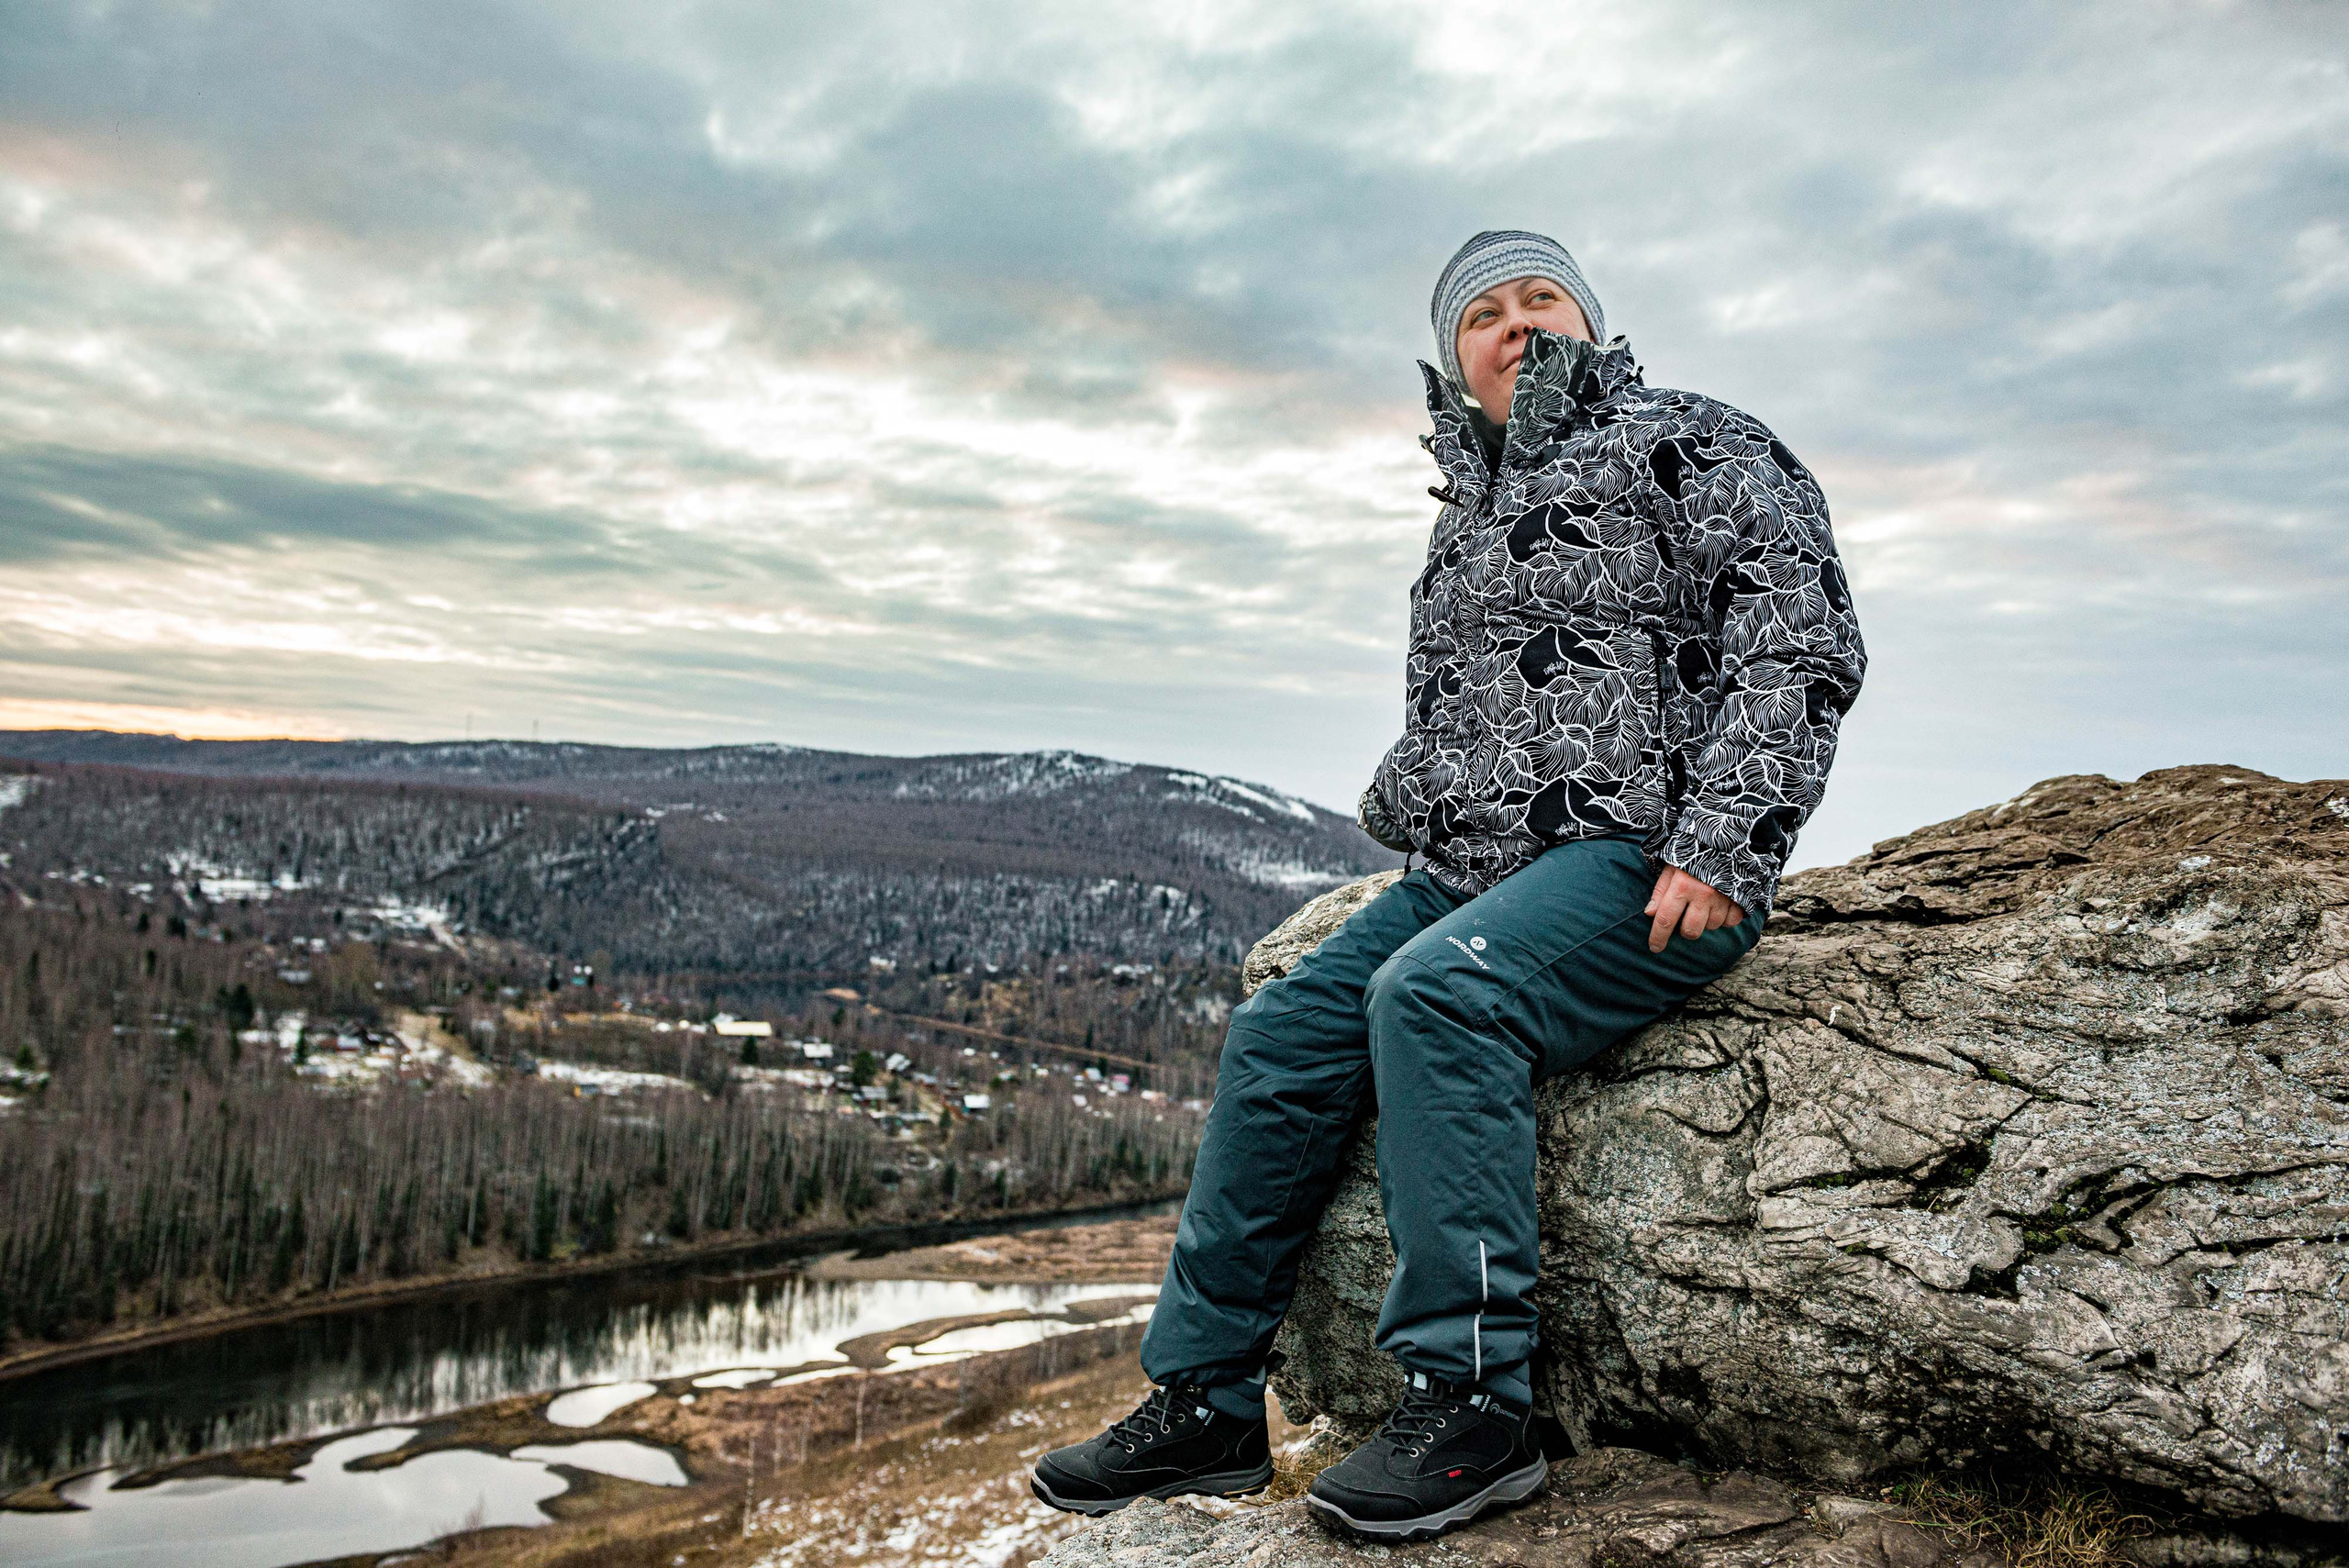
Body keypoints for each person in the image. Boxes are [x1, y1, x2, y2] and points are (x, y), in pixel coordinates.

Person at [1030, 229, 1867, 1540]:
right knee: (1281, 1033)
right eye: (1484, 313)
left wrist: (1723, 841)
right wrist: (1407, 794)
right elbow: (1467, 717)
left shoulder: (1690, 441)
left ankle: (1474, 1407)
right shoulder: (1465, 515)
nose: (1517, 324)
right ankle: (1204, 1403)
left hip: (1642, 866)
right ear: (1454, 358)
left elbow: (1799, 633)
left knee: (1437, 997)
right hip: (1472, 877)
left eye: (1542, 298)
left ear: (1590, 322)